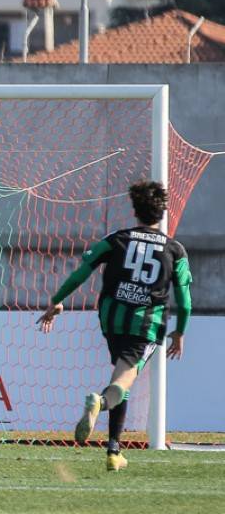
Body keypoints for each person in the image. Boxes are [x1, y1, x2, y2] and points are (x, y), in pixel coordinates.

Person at [37, 181, 192, 471]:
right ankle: (100, 402)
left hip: (111, 318)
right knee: (121, 383)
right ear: (162, 213)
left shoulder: (116, 239)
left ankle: (113, 451)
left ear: (135, 210)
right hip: (144, 324)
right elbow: (185, 302)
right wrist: (180, 331)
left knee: (122, 378)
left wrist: (57, 301)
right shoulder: (175, 250)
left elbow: (81, 273)